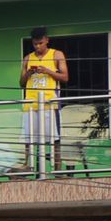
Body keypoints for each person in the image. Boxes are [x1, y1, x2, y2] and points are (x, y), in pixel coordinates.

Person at [21, 27, 68, 174]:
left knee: (54, 138)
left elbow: (65, 77)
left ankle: (57, 169)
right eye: (35, 44)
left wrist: (47, 71)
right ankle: (26, 165)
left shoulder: (56, 54)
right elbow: (21, 83)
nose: (38, 46)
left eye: (40, 43)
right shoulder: (28, 58)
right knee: (28, 139)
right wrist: (28, 73)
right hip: (31, 103)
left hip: (50, 103)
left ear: (47, 40)